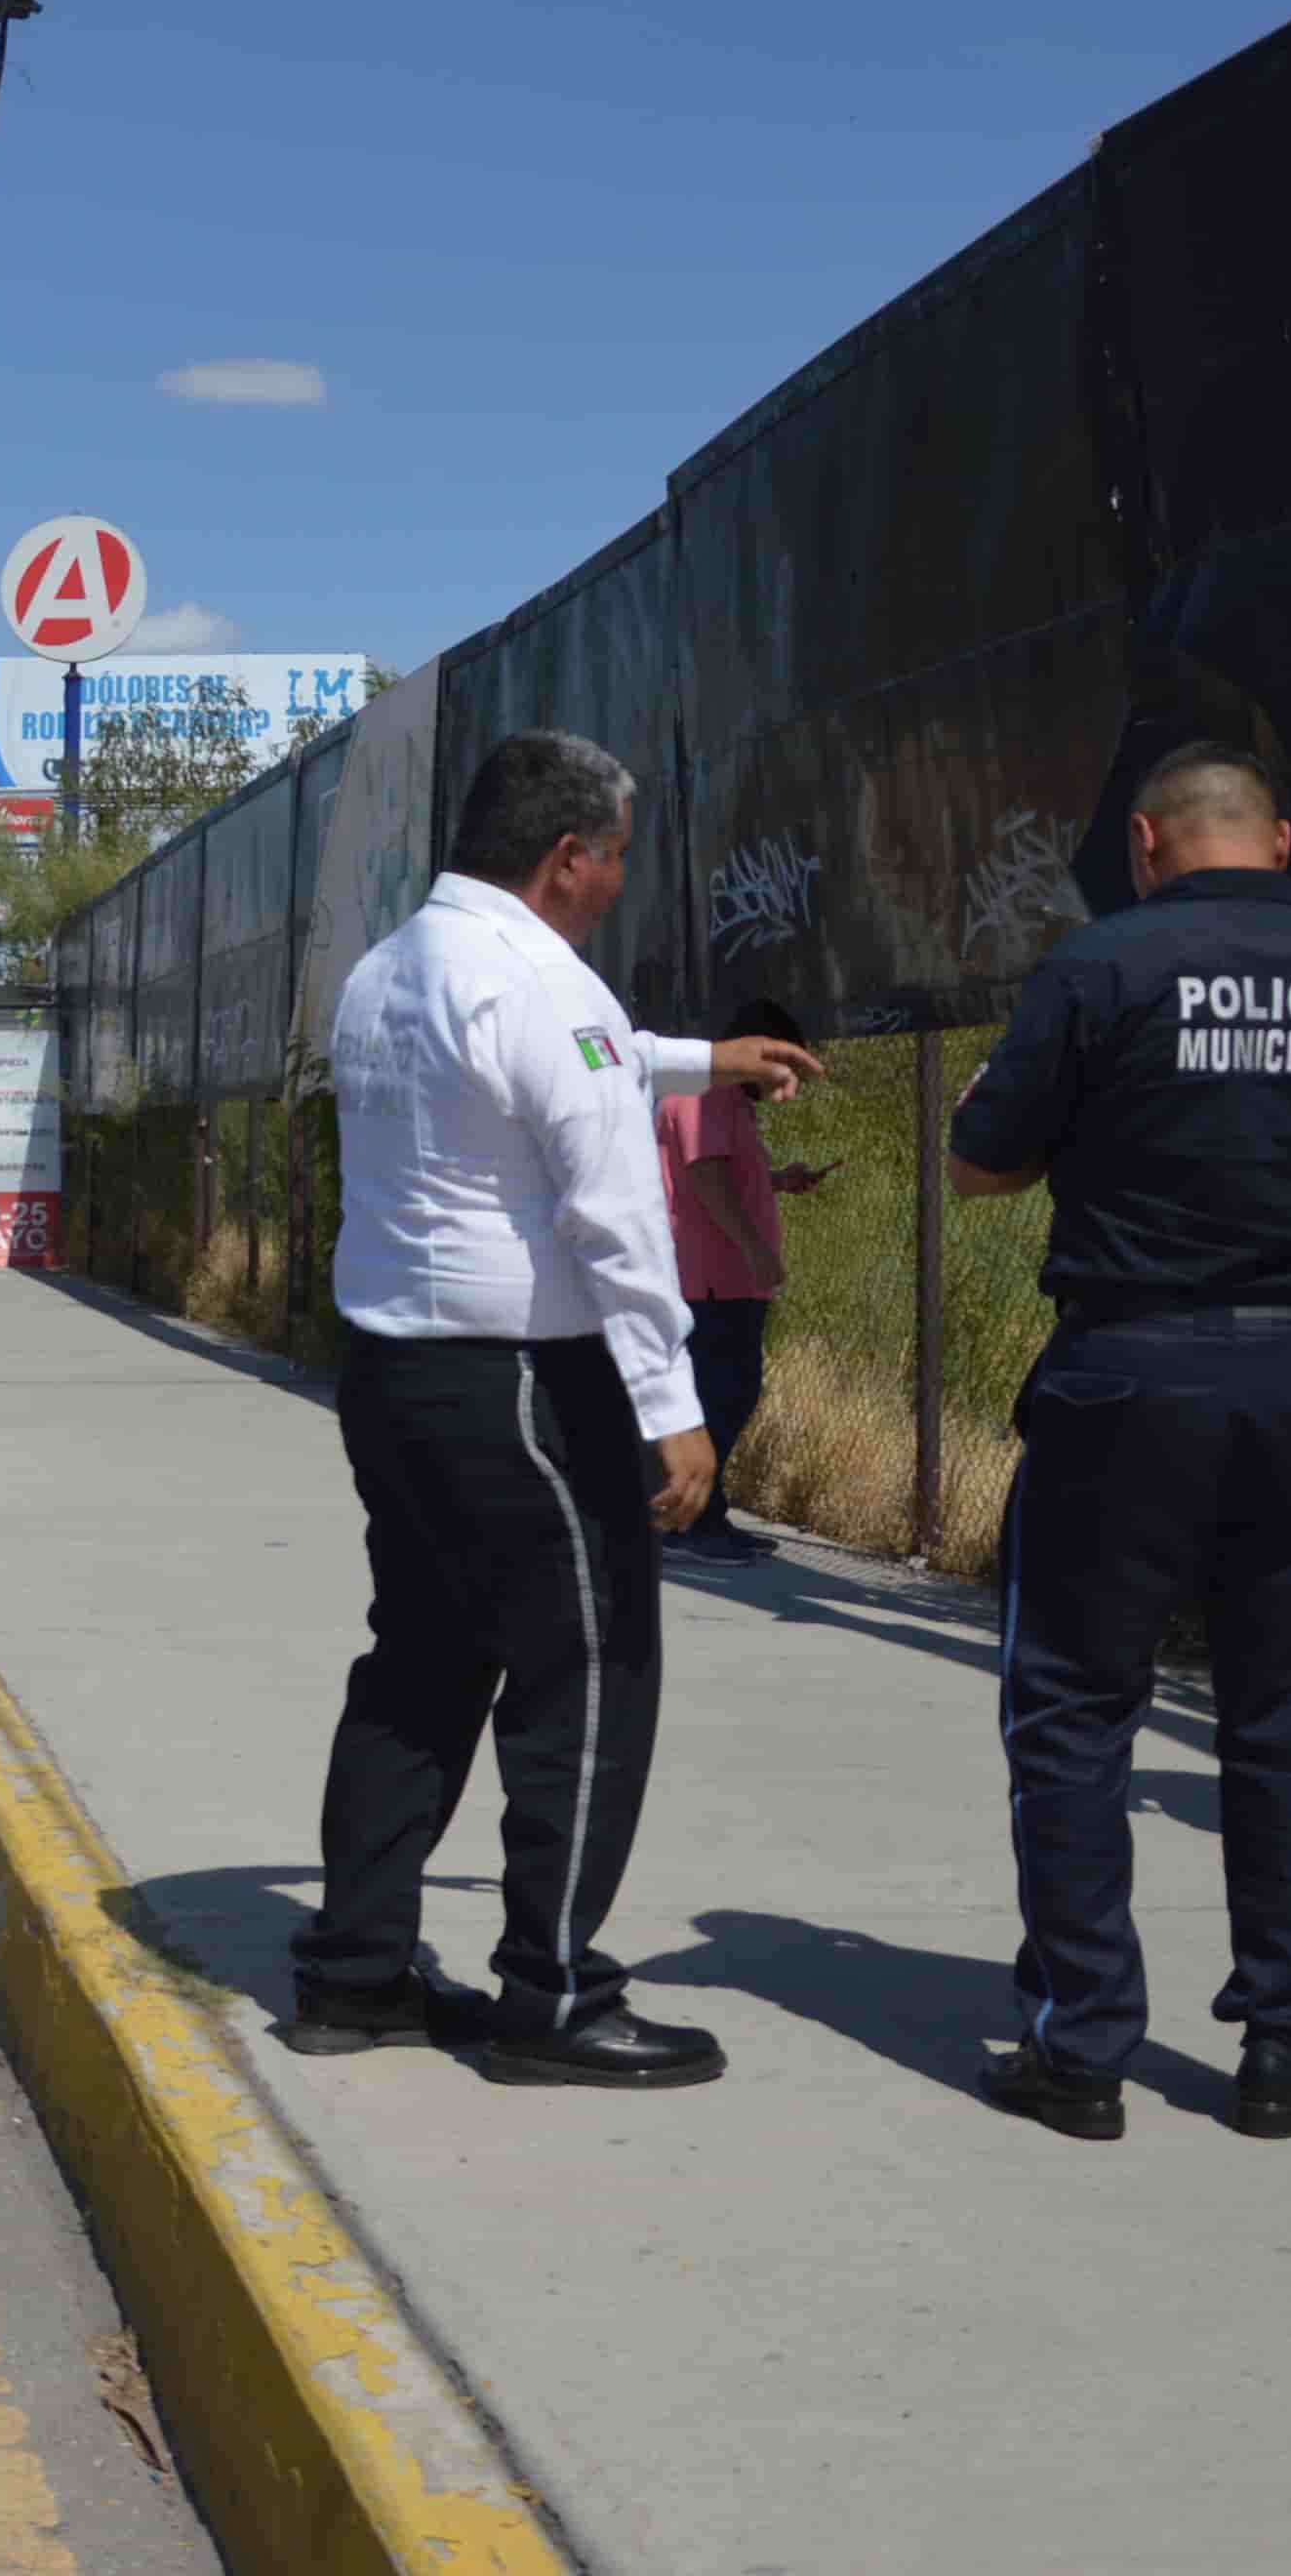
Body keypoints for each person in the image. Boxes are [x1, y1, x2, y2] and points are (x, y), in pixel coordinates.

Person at [279, 730, 824, 2085]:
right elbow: (615, 1210)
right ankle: (556, 1997)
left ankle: (355, 1975)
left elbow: (589, 1059)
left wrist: (707, 1059)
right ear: (567, 858)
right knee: (589, 1673)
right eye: (618, 861)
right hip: (525, 1386)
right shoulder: (540, 978)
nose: (620, 885)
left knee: (419, 1667)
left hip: (394, 1374)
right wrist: (671, 1401)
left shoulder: (389, 969)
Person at [948, 741, 1291, 2143]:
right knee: (1286, 1721)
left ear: (1153, 846)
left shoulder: (1099, 968)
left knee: (1072, 1706)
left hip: (1128, 1372)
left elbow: (983, 1160)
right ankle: (1287, 2045)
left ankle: (1084, 2044)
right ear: (1282, 840)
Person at [655, 996, 837, 1566]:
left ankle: (706, 1512)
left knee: (729, 1392)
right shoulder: (703, 1092)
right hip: (712, 1278)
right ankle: (687, 1522)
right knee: (720, 1395)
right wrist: (755, 1248)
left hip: (729, 1279)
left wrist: (778, 1180)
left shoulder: (726, 1097)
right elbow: (704, 1176)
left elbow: (725, 1170)